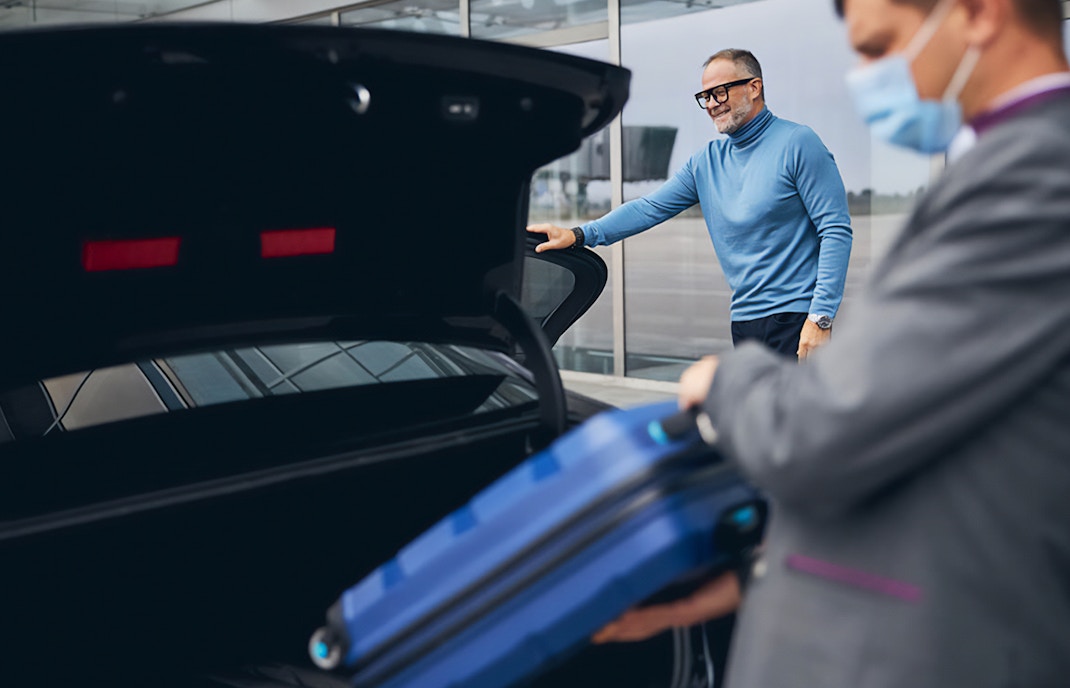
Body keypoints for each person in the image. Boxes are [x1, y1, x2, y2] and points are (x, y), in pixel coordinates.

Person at [594, 0, 1070, 686]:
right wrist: (750, 573)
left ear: (979, 14)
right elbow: (937, 433)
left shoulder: (1034, 173)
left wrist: (726, 382)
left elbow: (822, 429)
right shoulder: (998, 161)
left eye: (877, 48)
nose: (863, 76)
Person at [527, 49, 853, 359]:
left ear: (754, 87)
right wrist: (580, 234)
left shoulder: (798, 143)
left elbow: (835, 229)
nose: (712, 104)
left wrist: (820, 317)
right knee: (758, 417)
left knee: (799, 417)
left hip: (795, 316)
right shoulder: (706, 162)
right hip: (744, 319)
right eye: (706, 97)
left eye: (720, 92)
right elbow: (649, 207)